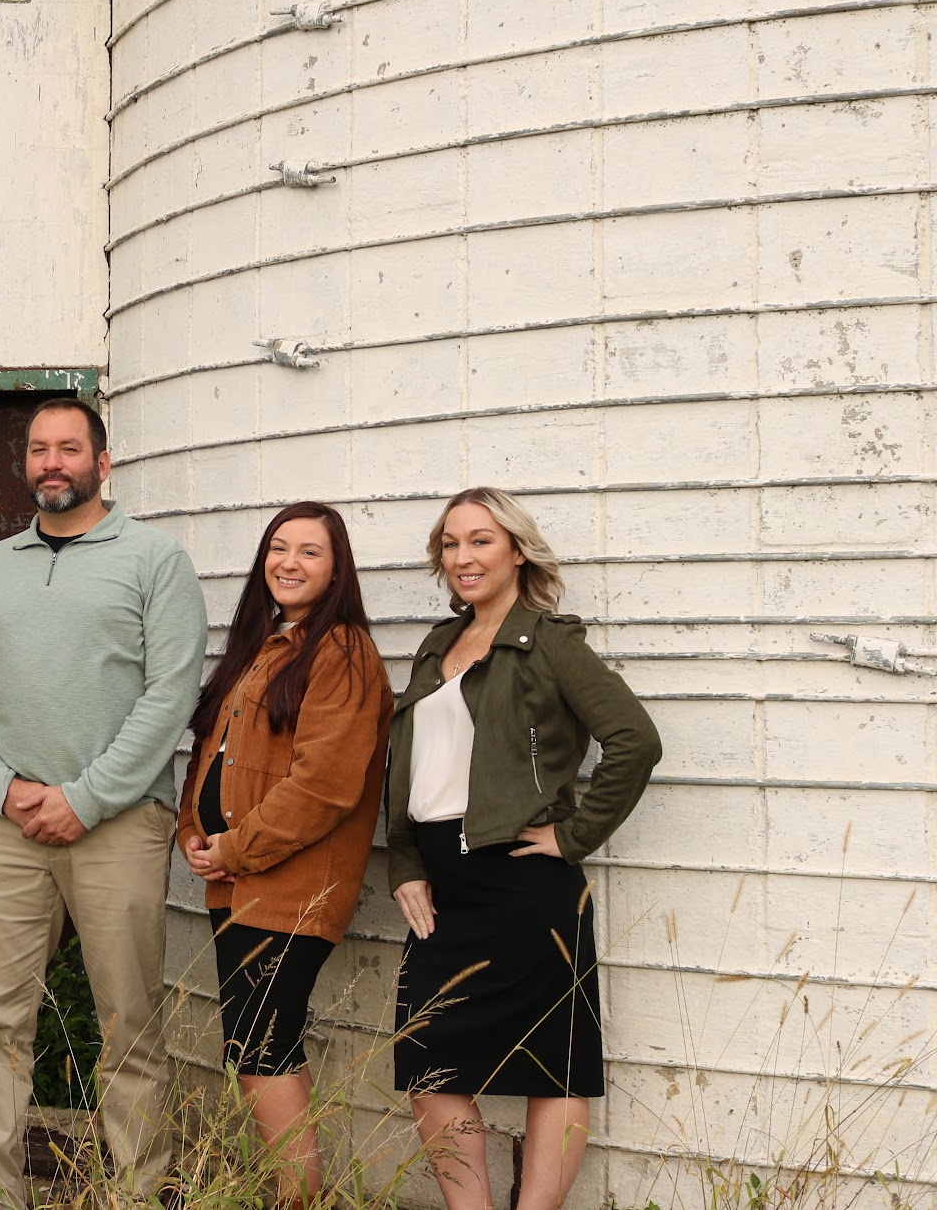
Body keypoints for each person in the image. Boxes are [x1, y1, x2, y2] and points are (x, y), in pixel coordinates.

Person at [0, 397, 209, 1210]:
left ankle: (139, 1191)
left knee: (129, 1021)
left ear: (102, 461)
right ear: (25, 463)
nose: (52, 461)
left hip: (117, 824)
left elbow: (170, 694)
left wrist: (85, 798)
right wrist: (1, 787)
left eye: (69, 448)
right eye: (38, 448)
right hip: (6, 827)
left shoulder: (157, 561)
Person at [389, 487, 662, 1210]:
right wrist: (405, 862)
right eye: (450, 543)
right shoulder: (437, 646)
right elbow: (410, 767)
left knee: (555, 1064)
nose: (463, 556)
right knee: (429, 1063)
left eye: (481, 540)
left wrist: (573, 835)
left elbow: (635, 740)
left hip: (524, 886)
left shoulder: (550, 641)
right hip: (445, 887)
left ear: (517, 550)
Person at [176, 502, 391, 1203]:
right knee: (263, 1045)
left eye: (309, 551)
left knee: (259, 1049)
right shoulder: (264, 646)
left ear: (337, 569)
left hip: (289, 889)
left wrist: (236, 847)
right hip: (235, 884)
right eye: (278, 547)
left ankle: (299, 1201)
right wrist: (192, 828)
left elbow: (325, 784)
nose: (289, 562)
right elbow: (212, 753)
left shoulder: (343, 651)